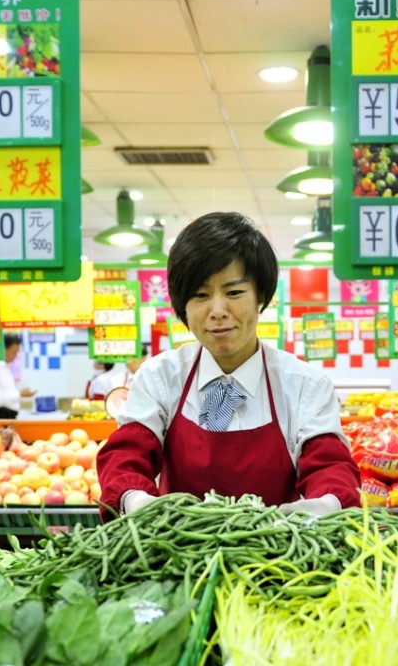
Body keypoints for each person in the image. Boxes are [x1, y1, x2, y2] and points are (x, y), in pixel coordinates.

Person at [97, 212, 361, 519]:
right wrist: (133, 498)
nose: (218, 310)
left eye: (234, 292)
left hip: (276, 556)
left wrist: (326, 504)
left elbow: (330, 465)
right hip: (178, 557)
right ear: (183, 305)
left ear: (261, 295)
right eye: (200, 295)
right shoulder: (160, 377)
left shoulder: (304, 384)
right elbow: (127, 455)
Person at [0, 333, 35, 419]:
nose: (15, 356)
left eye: (17, 352)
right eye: (13, 352)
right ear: (3, 349)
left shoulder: (5, 367)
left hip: (9, 415)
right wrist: (19, 394)